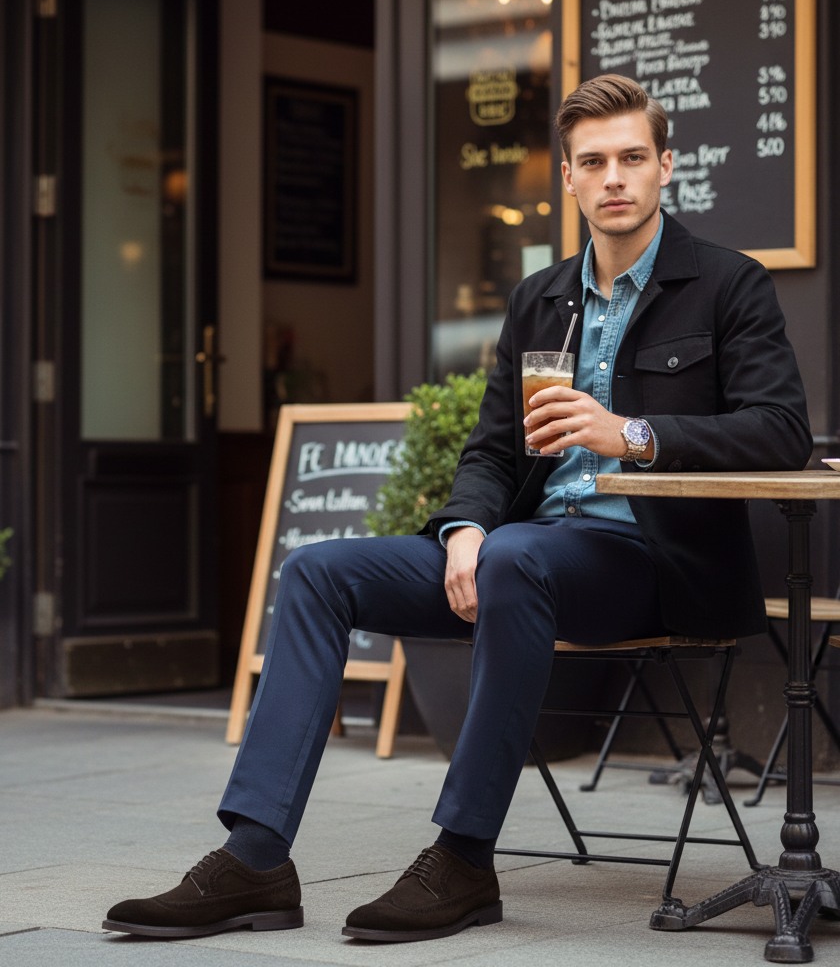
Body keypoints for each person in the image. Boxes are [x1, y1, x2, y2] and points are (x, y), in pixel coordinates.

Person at [103, 74, 811, 943]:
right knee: (318, 572)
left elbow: (781, 430)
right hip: (526, 548)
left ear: (667, 166)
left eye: (634, 157)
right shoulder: (541, 298)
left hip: (651, 564)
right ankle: (255, 860)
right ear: (568, 178)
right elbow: (490, 449)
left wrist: (632, 433)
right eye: (595, 162)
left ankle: (464, 859)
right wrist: (466, 528)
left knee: (517, 559)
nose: (615, 177)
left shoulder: (728, 286)